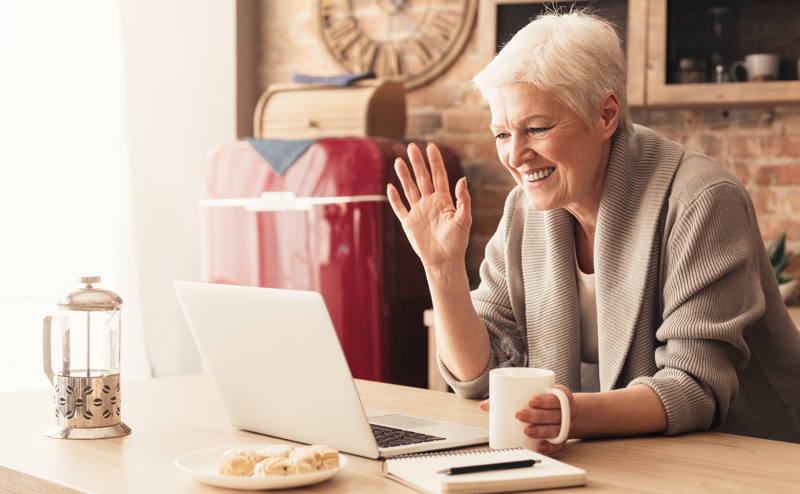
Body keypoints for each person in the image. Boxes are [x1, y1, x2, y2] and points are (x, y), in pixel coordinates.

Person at [386, 10, 800, 455]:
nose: (516, 156)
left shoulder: (702, 201)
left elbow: (695, 385)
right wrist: (443, 268)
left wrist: (571, 415)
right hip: (627, 456)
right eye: (502, 134)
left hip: (754, 457)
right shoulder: (524, 211)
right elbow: (483, 374)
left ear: (606, 115)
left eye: (536, 128)